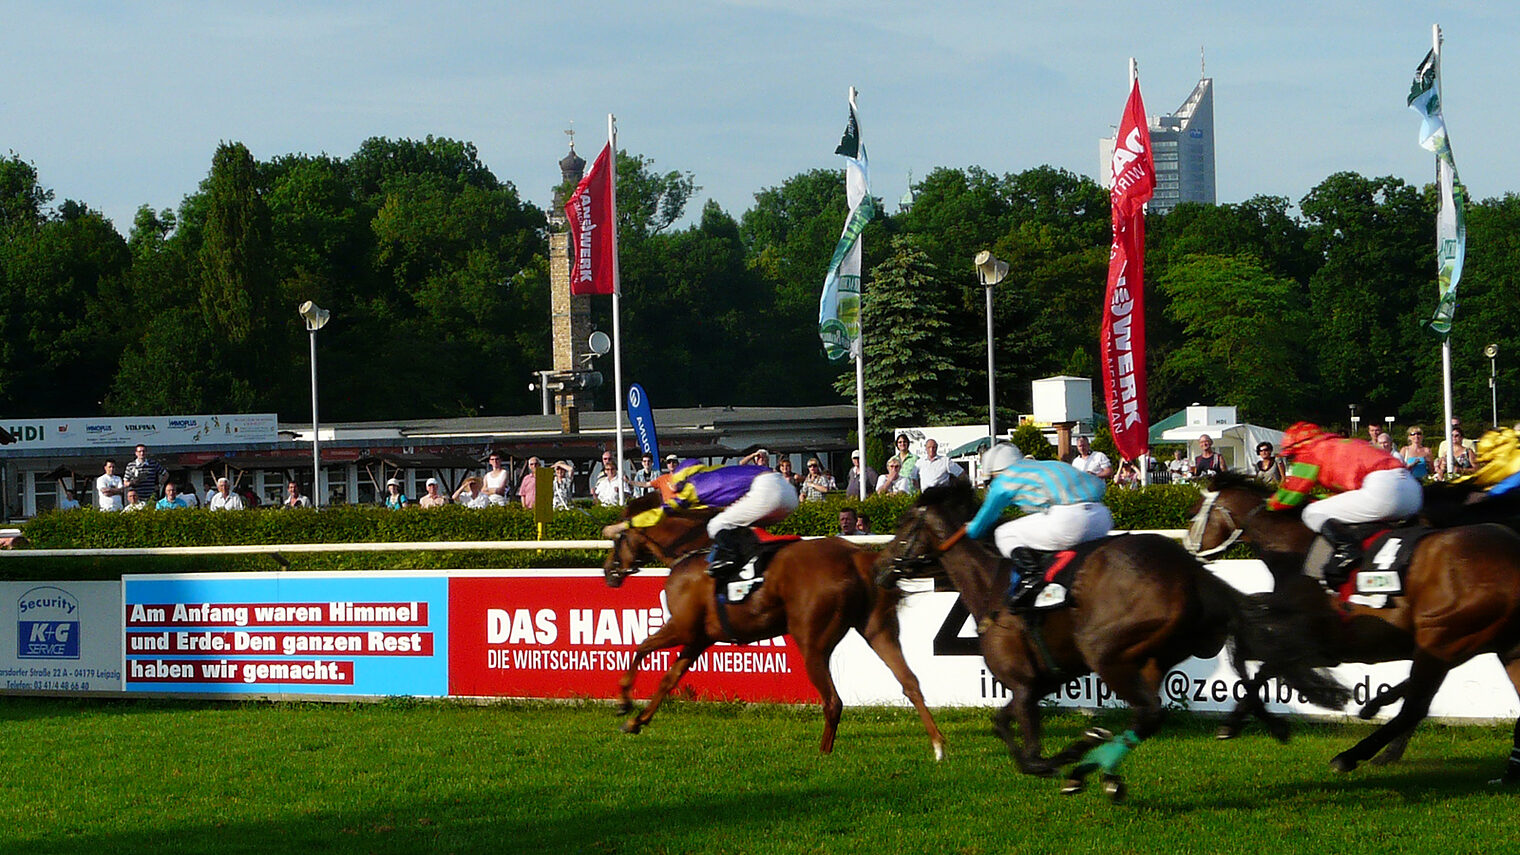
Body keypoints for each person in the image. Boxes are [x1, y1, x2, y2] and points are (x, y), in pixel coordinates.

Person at [1267, 422, 1424, 585]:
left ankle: (1347, 550)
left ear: (1298, 446)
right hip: (1412, 491)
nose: (1293, 460)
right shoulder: (1341, 443)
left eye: (1292, 456)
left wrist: (1268, 504)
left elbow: (1292, 494)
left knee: (1311, 512)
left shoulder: (1309, 451)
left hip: (1384, 489)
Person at [966, 443, 1111, 609]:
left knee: (1003, 533)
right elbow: (1099, 486)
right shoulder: (1047, 465)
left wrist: (970, 529)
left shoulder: (1004, 479)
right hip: (1102, 517)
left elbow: (984, 520)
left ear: (996, 472)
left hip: (1071, 521)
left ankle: (1032, 577)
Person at [616, 459, 799, 580]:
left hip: (767, 491)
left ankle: (739, 565)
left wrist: (624, 525)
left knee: (716, 525)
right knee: (740, 524)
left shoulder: (693, 487)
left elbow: (659, 514)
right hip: (787, 492)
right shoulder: (713, 471)